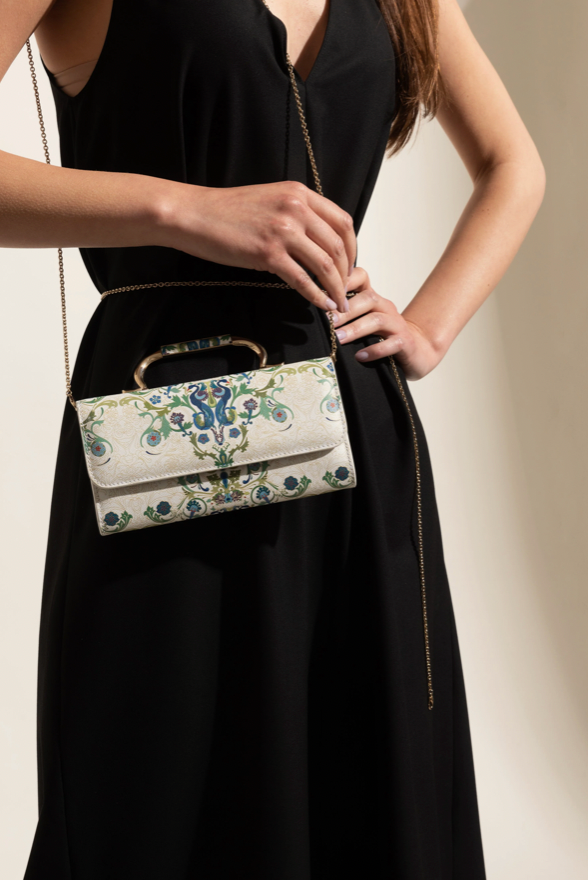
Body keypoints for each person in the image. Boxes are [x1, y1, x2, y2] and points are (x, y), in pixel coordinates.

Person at [1, 0, 545, 877]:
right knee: (154, 792)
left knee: (364, 788)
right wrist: (184, 209)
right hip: (163, 432)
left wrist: (429, 326)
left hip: (351, 435)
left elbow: (513, 165)